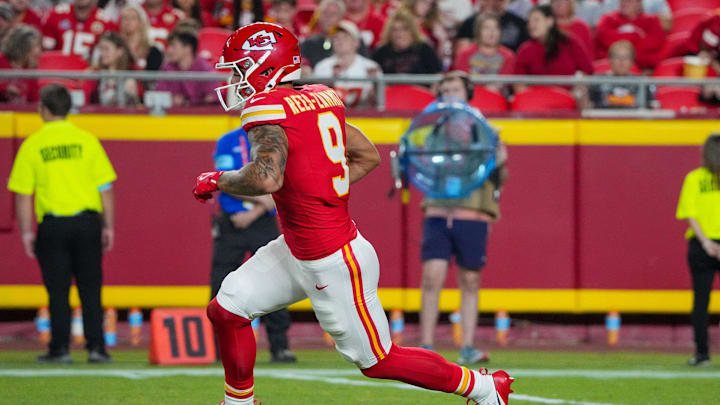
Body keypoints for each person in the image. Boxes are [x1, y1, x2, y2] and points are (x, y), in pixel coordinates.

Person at [192, 22, 513, 405]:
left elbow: (265, 177)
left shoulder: (268, 105)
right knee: (228, 308)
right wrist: (317, 188)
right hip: (299, 248)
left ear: (265, 66)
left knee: (378, 360)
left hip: (332, 258)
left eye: (240, 68)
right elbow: (367, 156)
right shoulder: (320, 96)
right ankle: (239, 403)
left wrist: (217, 179)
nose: (234, 78)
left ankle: (485, 387)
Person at [7, 84, 116, 364]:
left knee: (57, 291)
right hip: (88, 223)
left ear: (44, 108)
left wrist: (27, 231)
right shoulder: (86, 140)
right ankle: (97, 348)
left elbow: (22, 195)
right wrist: (108, 226)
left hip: (53, 226)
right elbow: (105, 188)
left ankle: (60, 349)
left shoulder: (34, 143)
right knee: (91, 288)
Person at [419, 71, 508, 364]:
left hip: (473, 211)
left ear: (467, 93)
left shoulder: (486, 130)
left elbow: (499, 177)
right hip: (437, 210)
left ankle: (467, 346)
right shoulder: (433, 133)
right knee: (432, 277)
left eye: (455, 89)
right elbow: (423, 171)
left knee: (470, 280)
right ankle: (427, 346)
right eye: (445, 90)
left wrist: (499, 159)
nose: (449, 95)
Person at [210, 127, 297, 364]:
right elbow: (226, 180)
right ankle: (220, 348)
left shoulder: (274, 142)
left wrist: (255, 211)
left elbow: (279, 183)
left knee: (276, 281)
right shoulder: (228, 141)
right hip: (232, 221)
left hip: (262, 222)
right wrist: (263, 202)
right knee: (221, 282)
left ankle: (280, 346)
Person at [676, 134, 720, 367]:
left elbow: (690, 214)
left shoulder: (694, 178)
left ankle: (702, 354)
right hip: (712, 242)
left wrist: (706, 243)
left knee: (701, 301)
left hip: (701, 245)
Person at [514, 5, 593, 91]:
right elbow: (518, 82)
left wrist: (578, 87)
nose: (531, 25)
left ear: (550, 21)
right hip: (537, 99)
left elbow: (588, 70)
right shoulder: (525, 50)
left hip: (568, 97)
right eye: (529, 21)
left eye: (536, 20)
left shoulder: (570, 42)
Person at [313, 20, 382, 108]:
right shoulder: (322, 67)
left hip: (363, 119)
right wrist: (330, 82)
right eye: (336, 37)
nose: (340, 41)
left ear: (356, 43)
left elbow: (379, 103)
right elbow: (317, 102)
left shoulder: (371, 67)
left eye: (345, 37)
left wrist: (375, 85)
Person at [595, 0, 665, 70]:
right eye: (622, 1)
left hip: (644, 68)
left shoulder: (652, 20)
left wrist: (623, 49)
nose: (624, 3)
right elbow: (605, 38)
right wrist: (635, 36)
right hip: (610, 68)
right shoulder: (608, 19)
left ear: (638, 3)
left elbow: (654, 43)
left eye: (629, 1)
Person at [155, 29, 217, 106]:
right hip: (172, 116)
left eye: (173, 46)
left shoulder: (205, 69)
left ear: (188, 48)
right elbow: (160, 95)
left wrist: (187, 103)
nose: (169, 50)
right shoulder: (166, 67)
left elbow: (212, 99)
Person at [372, 8, 442, 74]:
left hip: (420, 86)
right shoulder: (381, 53)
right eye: (395, 30)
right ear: (389, 33)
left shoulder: (424, 50)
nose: (400, 34)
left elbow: (437, 75)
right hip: (389, 87)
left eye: (404, 29)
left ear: (412, 31)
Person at [42, 0, 117, 61]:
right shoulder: (55, 14)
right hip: (57, 72)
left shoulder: (106, 22)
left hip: (90, 75)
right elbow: (45, 51)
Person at [586, 40, 651, 109]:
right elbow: (587, 109)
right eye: (617, 57)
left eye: (626, 57)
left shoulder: (642, 83)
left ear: (632, 62)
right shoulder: (597, 81)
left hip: (633, 119)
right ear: (610, 60)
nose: (621, 61)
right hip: (604, 119)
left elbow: (650, 108)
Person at [452, 14, 515, 80]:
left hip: (496, 89)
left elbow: (503, 82)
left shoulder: (509, 56)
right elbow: (463, 80)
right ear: (478, 31)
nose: (491, 32)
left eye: (496, 28)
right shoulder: (464, 53)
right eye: (486, 28)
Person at [455, 0, 529, 52]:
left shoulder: (519, 23)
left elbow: (525, 50)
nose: (496, 2)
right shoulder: (470, 22)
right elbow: (461, 50)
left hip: (509, 66)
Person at [92, 31, 142, 106]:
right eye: (101, 49)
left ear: (119, 51)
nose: (102, 53)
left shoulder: (129, 78)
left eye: (106, 49)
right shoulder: (96, 75)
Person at [0, 24, 41, 104]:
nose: (39, 51)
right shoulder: (1, 61)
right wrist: (4, 89)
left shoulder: (31, 69)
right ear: (22, 47)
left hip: (20, 113)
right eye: (36, 46)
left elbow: (34, 100)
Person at [299, 0, 347, 68]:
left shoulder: (351, 43)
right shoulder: (308, 44)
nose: (328, 17)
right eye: (324, 13)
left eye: (333, 14)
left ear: (341, 18)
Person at [119, 4, 164, 71]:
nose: (128, 21)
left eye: (133, 18)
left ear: (141, 22)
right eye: (125, 18)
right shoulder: (117, 46)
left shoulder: (152, 50)